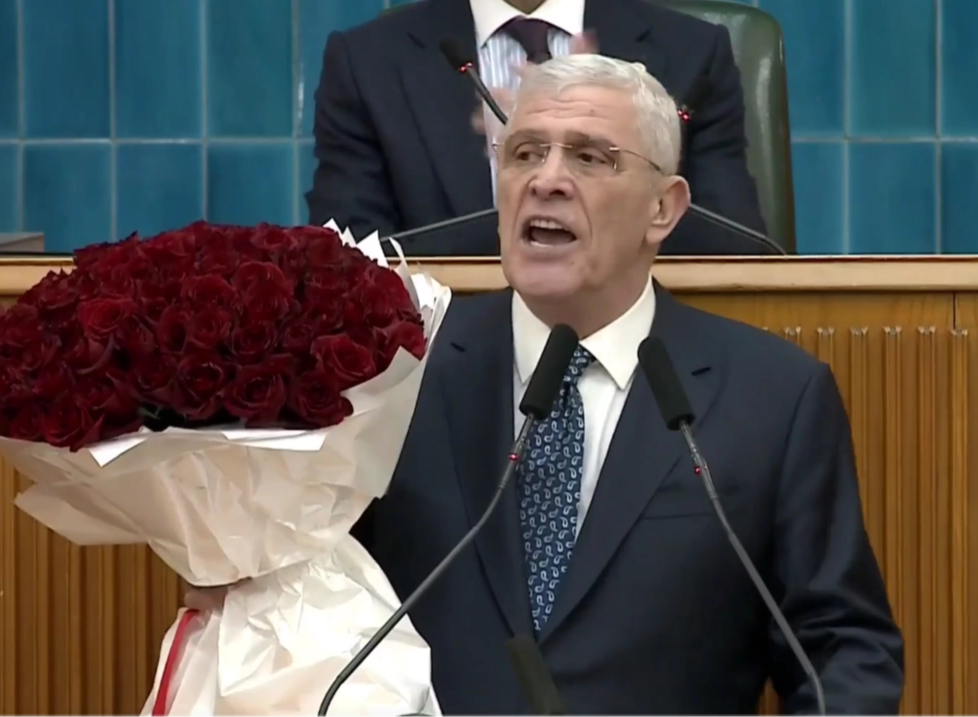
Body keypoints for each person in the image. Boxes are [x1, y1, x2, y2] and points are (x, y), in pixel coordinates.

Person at [191, 56, 903, 714]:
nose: (547, 179)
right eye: (525, 152)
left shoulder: (772, 397)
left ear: (663, 207)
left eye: (590, 156)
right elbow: (309, 601)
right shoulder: (397, 373)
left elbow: (841, 650)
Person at [305, 0, 769, 256]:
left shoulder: (692, 52)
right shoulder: (367, 62)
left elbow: (735, 249)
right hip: (445, 357)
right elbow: (348, 260)